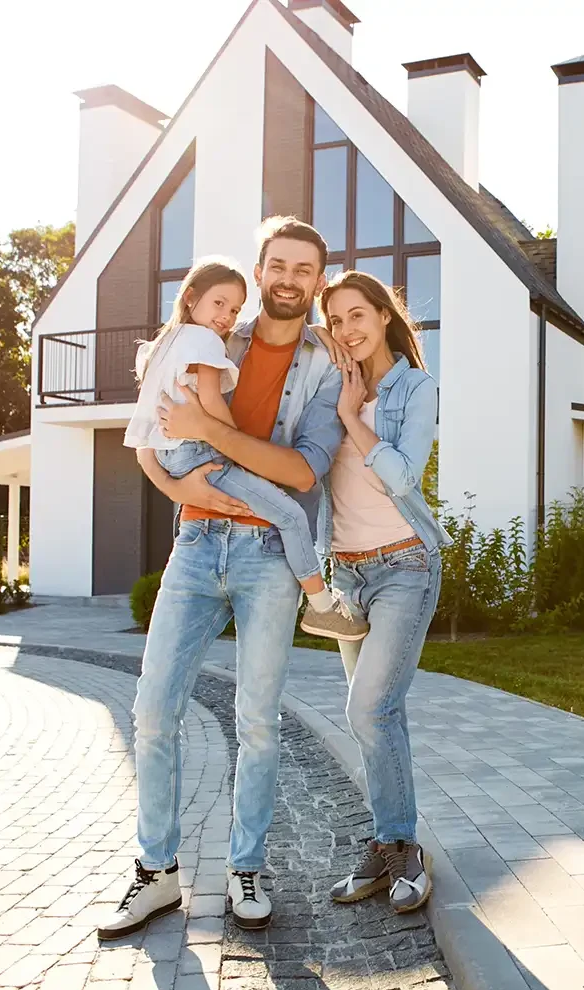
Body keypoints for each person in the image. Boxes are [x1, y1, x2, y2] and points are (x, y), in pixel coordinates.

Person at [98, 217, 347, 940]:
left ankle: (246, 867)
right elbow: (157, 426)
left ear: (317, 281)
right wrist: (183, 494)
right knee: (152, 712)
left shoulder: (325, 365)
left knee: (258, 723)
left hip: (271, 554)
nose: (288, 278)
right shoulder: (214, 335)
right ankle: (158, 870)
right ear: (261, 269)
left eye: (304, 268)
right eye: (278, 264)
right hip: (198, 544)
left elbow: (302, 470)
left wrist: (213, 436)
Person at [122, 254, 366, 641]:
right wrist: (233, 441)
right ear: (190, 298)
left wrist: (173, 482)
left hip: (170, 454)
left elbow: (144, 426)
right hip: (201, 455)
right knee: (290, 516)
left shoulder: (165, 342)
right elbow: (211, 400)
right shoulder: (205, 341)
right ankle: (322, 608)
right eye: (218, 303)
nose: (226, 316)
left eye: (234, 308)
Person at [317, 271, 449, 915]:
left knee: (369, 709)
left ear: (384, 315)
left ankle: (403, 848)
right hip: (348, 576)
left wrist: (351, 417)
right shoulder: (329, 384)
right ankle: (387, 846)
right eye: (335, 320)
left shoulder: (415, 387)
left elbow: (400, 474)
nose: (347, 329)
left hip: (404, 566)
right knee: (375, 721)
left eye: (356, 315)